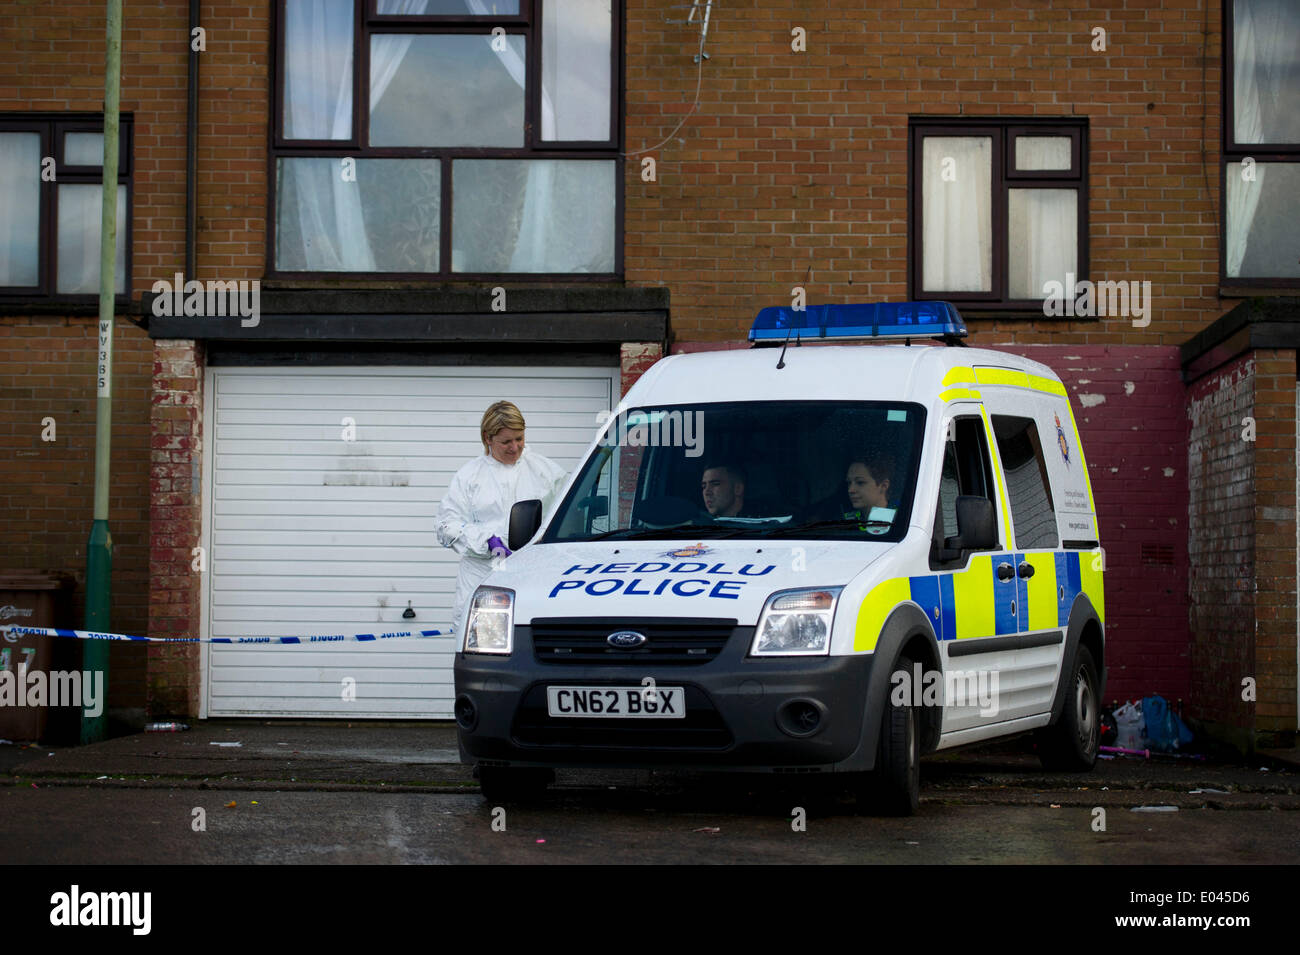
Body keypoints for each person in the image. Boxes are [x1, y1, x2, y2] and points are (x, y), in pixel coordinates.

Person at [436, 401, 568, 633]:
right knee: (482, 647)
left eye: (519, 438)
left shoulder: (547, 472)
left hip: (534, 576)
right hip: (483, 577)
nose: (515, 447)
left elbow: (570, 517)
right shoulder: (469, 476)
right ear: (488, 438)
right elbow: (446, 526)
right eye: (506, 441)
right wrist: (486, 542)